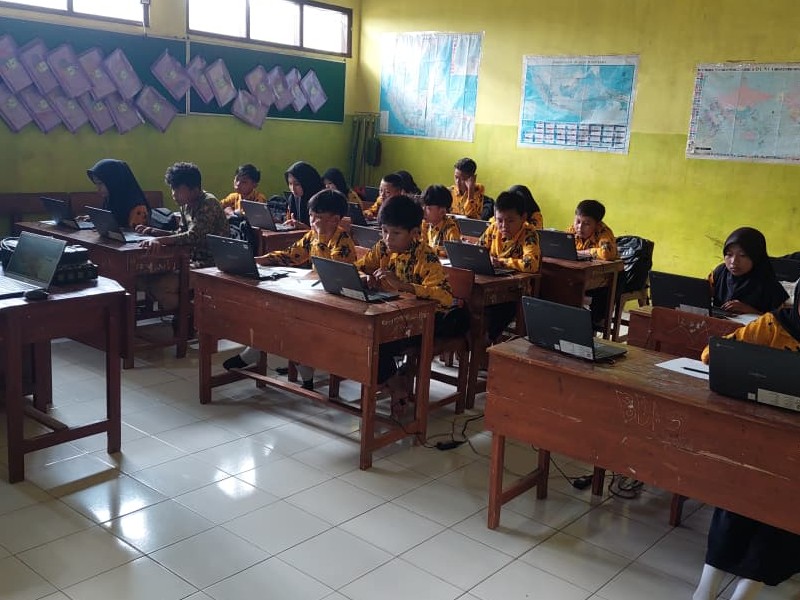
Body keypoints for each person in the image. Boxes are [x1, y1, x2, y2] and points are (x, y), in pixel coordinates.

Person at [694, 285, 800, 600]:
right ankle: (706, 589)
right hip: (762, 438)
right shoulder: (772, 326)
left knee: (786, 514)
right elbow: (712, 354)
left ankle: (745, 592)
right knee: (740, 497)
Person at [222, 190, 356, 389]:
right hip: (316, 297)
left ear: (335, 220)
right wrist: (258, 260)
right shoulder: (313, 236)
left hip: (336, 305)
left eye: (318, 217)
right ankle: (295, 368)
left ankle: (292, 365)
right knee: (273, 311)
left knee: (289, 319)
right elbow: (290, 255)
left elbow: (334, 275)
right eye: (311, 216)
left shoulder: (342, 242)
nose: (312, 221)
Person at [357, 195, 469, 413]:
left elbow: (444, 296)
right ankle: (395, 381)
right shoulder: (382, 248)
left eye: (396, 233)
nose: (388, 238)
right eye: (384, 231)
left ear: (415, 233)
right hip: (393, 317)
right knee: (361, 334)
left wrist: (404, 286)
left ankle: (394, 382)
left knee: (376, 342)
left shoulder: (425, 256)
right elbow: (360, 266)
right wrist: (364, 277)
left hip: (425, 323)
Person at [137, 162, 228, 312]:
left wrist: (160, 240)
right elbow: (180, 234)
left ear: (194, 189)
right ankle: (191, 312)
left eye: (177, 189)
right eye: (172, 189)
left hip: (211, 264)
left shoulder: (208, 203)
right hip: (190, 260)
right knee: (142, 279)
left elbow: (193, 236)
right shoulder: (186, 204)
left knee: (160, 287)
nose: (173, 194)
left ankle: (198, 314)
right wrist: (153, 231)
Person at [478, 190, 541, 341]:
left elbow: (531, 264)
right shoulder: (493, 228)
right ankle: (477, 339)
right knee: (469, 303)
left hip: (514, 290)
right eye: (499, 220)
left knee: (499, 311)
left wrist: (502, 262)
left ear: (523, 217)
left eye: (510, 221)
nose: (504, 226)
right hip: (490, 283)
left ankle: (486, 341)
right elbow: (479, 249)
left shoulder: (529, 233)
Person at [708, 227, 788, 315]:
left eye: (742, 255)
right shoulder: (720, 272)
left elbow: (781, 320)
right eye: (729, 254)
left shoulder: (769, 285)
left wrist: (752, 312)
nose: (734, 261)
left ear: (756, 257)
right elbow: (703, 295)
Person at [567, 199, 618, 327]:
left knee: (600, 299)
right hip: (579, 274)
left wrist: (584, 252)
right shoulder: (572, 230)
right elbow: (561, 245)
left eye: (586, 224)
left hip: (602, 278)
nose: (580, 227)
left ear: (597, 224)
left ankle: (593, 323)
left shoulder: (604, 232)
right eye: (578, 221)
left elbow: (606, 253)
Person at [86, 158, 150, 228]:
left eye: (100, 183)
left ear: (114, 182)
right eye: (96, 184)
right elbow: (113, 220)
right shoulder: (112, 199)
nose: (98, 188)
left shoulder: (138, 208)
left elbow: (135, 232)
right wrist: (94, 219)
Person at [421, 184, 461, 256]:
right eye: (423, 206)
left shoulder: (451, 230)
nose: (423, 211)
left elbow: (456, 254)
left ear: (442, 211)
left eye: (428, 208)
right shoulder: (425, 224)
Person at [284, 161, 324, 228]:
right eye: (290, 184)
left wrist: (304, 228)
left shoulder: (321, 200)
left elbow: (325, 231)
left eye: (297, 184)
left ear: (306, 182)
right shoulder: (293, 199)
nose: (293, 189)